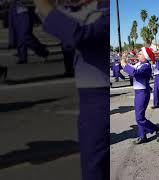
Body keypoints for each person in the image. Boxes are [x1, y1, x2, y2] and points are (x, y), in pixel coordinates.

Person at [33, 0, 109, 180]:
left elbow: (81, 37)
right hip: (91, 92)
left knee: (94, 168)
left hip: (99, 94)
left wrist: (46, 7)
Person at [121, 47, 159, 144]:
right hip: (138, 92)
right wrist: (124, 60)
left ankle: (157, 130)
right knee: (139, 116)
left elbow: (135, 73)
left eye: (140, 54)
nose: (138, 55)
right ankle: (142, 136)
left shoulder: (146, 66)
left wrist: (124, 64)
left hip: (142, 93)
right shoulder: (139, 64)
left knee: (139, 118)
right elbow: (130, 69)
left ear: (145, 57)